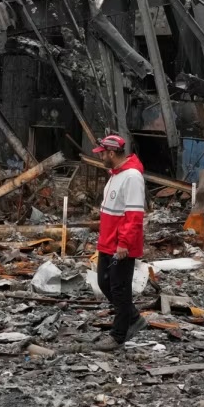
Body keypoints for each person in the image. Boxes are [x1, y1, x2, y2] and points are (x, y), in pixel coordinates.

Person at [91, 134, 146, 350]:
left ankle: (118, 335)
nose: (101, 157)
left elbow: (134, 215)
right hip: (108, 242)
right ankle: (133, 317)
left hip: (120, 246)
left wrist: (124, 243)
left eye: (103, 153)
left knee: (120, 289)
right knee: (105, 283)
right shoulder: (116, 174)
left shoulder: (132, 176)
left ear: (112, 153)